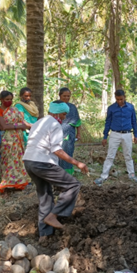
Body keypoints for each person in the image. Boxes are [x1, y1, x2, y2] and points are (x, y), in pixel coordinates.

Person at [23, 100, 88, 243]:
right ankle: (54, 215)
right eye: (64, 114)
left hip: (29, 161)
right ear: (57, 112)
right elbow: (57, 150)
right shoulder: (55, 124)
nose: (64, 117)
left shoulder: (39, 122)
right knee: (73, 185)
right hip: (42, 162)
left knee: (45, 196)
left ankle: (44, 235)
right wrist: (77, 163)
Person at [94, 90, 137, 185]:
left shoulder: (130, 107)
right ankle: (103, 176)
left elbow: (134, 121)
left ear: (124, 97)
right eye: (117, 99)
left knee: (128, 155)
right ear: (115, 98)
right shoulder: (111, 108)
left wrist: (136, 135)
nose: (119, 101)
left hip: (127, 134)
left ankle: (131, 175)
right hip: (115, 134)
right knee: (110, 155)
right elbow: (108, 122)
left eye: (121, 99)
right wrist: (105, 136)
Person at [0, 91, 30, 197]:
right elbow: (3, 126)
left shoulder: (14, 110)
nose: (9, 101)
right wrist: (18, 126)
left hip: (18, 139)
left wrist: (23, 125)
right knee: (8, 160)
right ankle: (7, 185)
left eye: (11, 99)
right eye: (7, 99)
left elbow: (23, 123)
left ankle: (18, 183)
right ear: (1, 100)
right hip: (7, 140)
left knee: (19, 160)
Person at [57, 87, 82, 175]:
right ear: (60, 95)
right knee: (57, 152)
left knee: (68, 151)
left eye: (68, 96)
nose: (67, 98)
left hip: (69, 133)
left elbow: (78, 121)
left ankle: (67, 173)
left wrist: (78, 134)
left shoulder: (72, 107)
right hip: (57, 133)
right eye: (64, 96)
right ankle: (57, 172)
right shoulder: (55, 106)